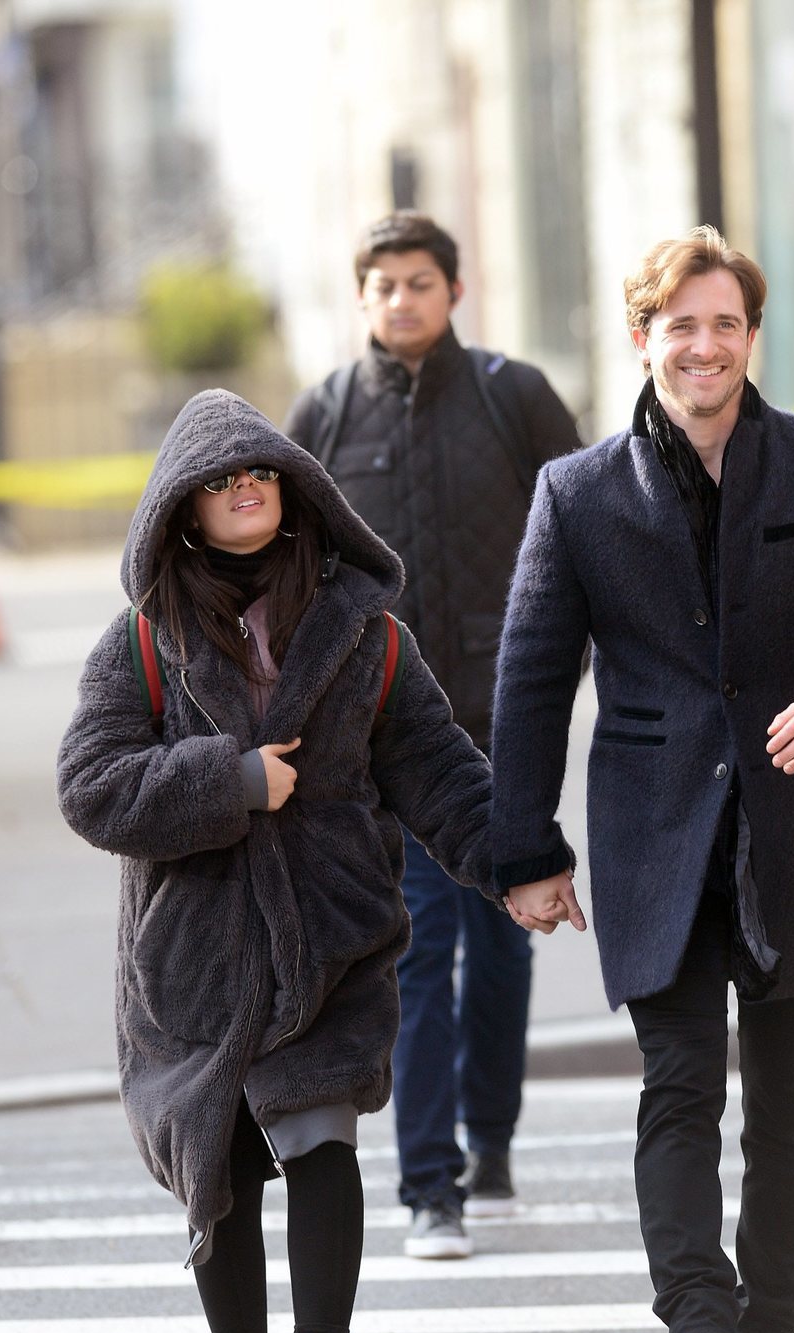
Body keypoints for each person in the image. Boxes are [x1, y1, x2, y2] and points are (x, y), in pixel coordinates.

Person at [490, 227, 794, 1333]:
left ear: (750, 336)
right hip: (652, 835)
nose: (702, 344)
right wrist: (523, 849)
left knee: (790, 1106)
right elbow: (531, 677)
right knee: (677, 1087)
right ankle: (695, 1323)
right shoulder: (573, 494)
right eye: (678, 324)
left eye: (723, 322)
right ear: (642, 339)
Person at [57, 389, 500, 1333]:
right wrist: (230, 778)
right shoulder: (142, 643)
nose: (240, 488)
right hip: (191, 965)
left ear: (295, 490)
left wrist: (520, 865)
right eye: (214, 482)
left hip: (329, 938)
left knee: (319, 1143)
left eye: (255, 472)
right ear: (182, 514)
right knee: (221, 1179)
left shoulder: (364, 632)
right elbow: (90, 787)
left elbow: (439, 771)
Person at [285, 211, 580, 1259]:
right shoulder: (322, 413)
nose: (401, 300)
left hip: (509, 724)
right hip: (382, 738)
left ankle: (489, 1143)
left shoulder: (513, 396)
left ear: (453, 290)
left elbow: (588, 530)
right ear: (360, 299)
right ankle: (429, 1187)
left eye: (420, 282)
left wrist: (576, 670)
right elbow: (287, 572)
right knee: (417, 945)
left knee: (504, 936)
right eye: (383, 286)